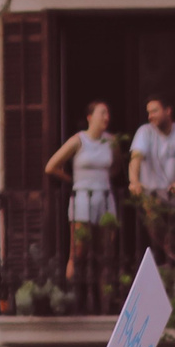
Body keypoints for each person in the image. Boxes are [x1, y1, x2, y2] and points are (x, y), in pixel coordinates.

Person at [44, 99, 119, 279]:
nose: (106, 117)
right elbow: (51, 167)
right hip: (83, 198)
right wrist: (73, 180)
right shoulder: (78, 140)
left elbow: (116, 167)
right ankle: (72, 293)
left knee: (106, 252)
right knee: (78, 251)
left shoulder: (112, 141)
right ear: (90, 117)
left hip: (105, 197)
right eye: (102, 113)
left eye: (108, 113)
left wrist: (102, 179)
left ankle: (105, 295)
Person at [130, 97, 175, 201]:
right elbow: (136, 158)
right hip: (150, 196)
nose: (150, 116)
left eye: (154, 111)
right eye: (149, 113)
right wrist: (134, 182)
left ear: (168, 111)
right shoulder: (144, 131)